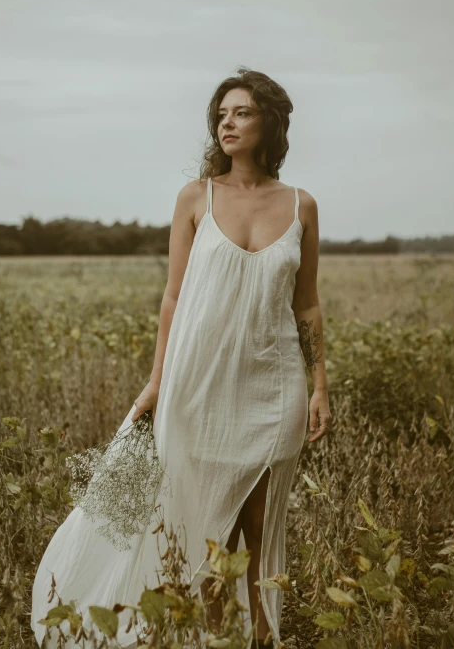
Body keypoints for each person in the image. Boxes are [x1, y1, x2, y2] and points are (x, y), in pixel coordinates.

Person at [31, 67, 330, 649]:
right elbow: (172, 297)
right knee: (194, 522)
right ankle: (203, 635)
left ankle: (264, 637)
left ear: (270, 120)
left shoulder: (302, 206)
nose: (227, 122)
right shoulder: (196, 198)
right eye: (221, 114)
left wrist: (319, 386)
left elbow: (309, 306)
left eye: (241, 111)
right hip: (196, 389)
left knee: (261, 531)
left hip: (273, 390)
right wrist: (155, 381)